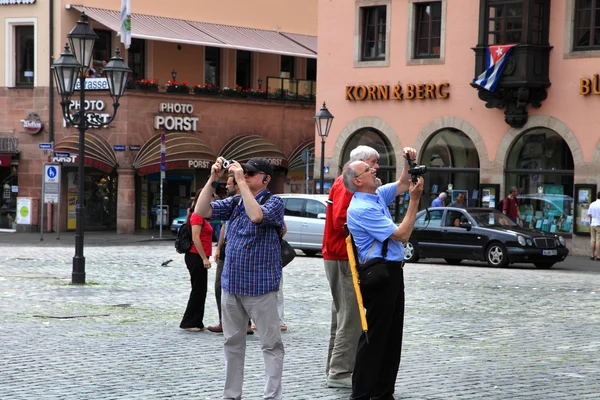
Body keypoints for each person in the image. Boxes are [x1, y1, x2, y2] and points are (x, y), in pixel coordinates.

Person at [194, 157, 285, 400]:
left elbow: (256, 216)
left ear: (265, 179)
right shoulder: (235, 202)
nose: (244, 176)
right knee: (232, 345)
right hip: (232, 285)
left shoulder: (274, 202)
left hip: (261, 287)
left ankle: (271, 396)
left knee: (271, 345)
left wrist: (241, 183)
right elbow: (202, 211)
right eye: (243, 172)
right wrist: (213, 178)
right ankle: (231, 396)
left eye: (251, 173)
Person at [343, 147, 423, 400]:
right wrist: (415, 200)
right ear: (358, 180)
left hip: (391, 272)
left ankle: (383, 392)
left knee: (391, 337)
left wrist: (409, 162)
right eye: (369, 169)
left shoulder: (375, 194)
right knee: (375, 337)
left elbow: (401, 183)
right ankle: (363, 393)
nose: (374, 168)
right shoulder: (362, 209)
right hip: (379, 275)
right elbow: (402, 235)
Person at [322, 145, 380, 389]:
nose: (376, 168)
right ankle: (340, 372)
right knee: (351, 318)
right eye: (372, 164)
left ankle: (335, 368)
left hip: (337, 256)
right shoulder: (347, 185)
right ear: (359, 164)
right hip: (342, 256)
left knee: (342, 316)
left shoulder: (341, 182)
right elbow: (340, 221)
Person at [207, 175, 254, 335]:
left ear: (238, 185)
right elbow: (223, 228)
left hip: (238, 251)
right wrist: (219, 247)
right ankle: (230, 321)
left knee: (231, 286)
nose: (226, 187)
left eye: (228, 184)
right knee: (222, 286)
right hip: (226, 248)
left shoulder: (244, 202)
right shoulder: (230, 203)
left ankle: (238, 323)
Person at [180, 191, 213, 332]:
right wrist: (204, 258)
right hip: (196, 256)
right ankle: (189, 322)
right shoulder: (198, 215)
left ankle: (197, 321)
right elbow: (196, 238)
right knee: (198, 289)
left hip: (199, 256)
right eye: (211, 197)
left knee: (201, 289)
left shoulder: (202, 216)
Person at [586, 192, 600, 260]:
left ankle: (592, 255)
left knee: (592, 240)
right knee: (598, 240)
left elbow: (589, 215)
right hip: (599, 224)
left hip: (592, 224)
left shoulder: (592, 204)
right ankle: (598, 256)